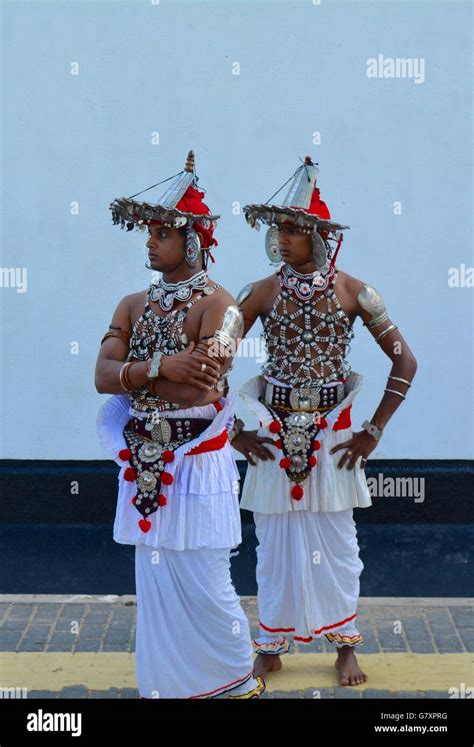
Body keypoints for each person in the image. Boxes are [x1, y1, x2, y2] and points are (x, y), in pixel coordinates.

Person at [230, 156, 418, 686]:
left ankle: (344, 646)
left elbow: (406, 361)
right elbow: (213, 359)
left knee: (337, 544)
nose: (283, 239)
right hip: (271, 431)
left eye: (294, 229)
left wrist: (372, 430)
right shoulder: (260, 291)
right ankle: (270, 644)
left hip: (336, 433)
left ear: (318, 236)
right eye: (279, 230)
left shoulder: (357, 291)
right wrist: (235, 431)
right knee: (273, 543)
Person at [94, 150, 264, 699]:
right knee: (156, 579)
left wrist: (136, 377)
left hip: (199, 461)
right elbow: (101, 377)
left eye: (161, 234)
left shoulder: (223, 306)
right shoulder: (131, 303)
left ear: (192, 242)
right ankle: (169, 687)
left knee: (208, 579)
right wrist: (163, 365)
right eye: (148, 233)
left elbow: (201, 387)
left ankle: (234, 680)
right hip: (143, 460)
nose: (149, 242)